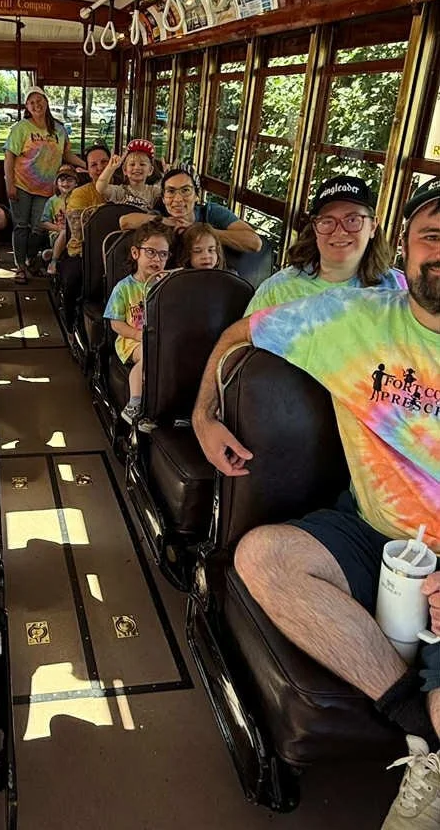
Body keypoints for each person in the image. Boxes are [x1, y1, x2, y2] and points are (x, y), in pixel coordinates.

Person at [191, 179, 440, 830]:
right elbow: (240, 335)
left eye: (354, 219)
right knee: (263, 556)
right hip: (371, 527)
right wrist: (204, 414)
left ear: (372, 232)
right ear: (409, 250)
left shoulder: (373, 294)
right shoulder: (349, 321)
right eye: (433, 237)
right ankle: (415, 722)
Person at [246, 175, 406, 313]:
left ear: (373, 226)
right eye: (327, 221)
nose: (339, 231)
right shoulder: (278, 290)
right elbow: (240, 345)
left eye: (352, 220)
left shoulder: (399, 289)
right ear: (315, 228)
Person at [4, 87, 85, 284]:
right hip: (21, 185)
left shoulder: (59, 129)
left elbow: (66, 154)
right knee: (21, 226)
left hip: (47, 188)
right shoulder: (21, 128)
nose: (36, 105)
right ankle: (20, 267)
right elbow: (9, 157)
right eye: (31, 102)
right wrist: (10, 184)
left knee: (38, 228)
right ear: (27, 107)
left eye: (39, 100)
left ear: (46, 102)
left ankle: (31, 260)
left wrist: (88, 166)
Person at [104, 220, 172, 425]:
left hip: (161, 339)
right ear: (136, 253)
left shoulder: (168, 287)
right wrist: (138, 335)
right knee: (149, 354)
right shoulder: (123, 288)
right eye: (150, 252)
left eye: (163, 254)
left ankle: (167, 408)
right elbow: (115, 323)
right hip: (132, 341)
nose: (157, 259)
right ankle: (135, 403)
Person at [121, 166, 262, 254]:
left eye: (185, 190)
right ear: (163, 198)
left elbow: (254, 243)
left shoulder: (212, 212)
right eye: (171, 191)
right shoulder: (160, 217)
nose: (178, 199)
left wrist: (200, 231)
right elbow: (125, 221)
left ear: (196, 196)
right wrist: (167, 222)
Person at [59, 144, 112, 335]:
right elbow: (77, 230)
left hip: (116, 253)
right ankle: (70, 321)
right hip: (83, 252)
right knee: (73, 277)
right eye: (94, 164)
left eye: (104, 162)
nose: (99, 168)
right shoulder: (80, 194)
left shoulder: (122, 190)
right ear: (87, 169)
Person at [97, 139, 159, 211]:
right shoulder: (120, 191)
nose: (137, 168)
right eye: (132, 164)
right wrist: (110, 169)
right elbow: (100, 188)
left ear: (150, 170)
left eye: (142, 164)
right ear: (125, 170)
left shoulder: (153, 192)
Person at [40, 164, 77, 275]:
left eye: (70, 180)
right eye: (62, 180)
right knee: (64, 233)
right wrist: (58, 228)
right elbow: (43, 222)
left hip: (76, 233)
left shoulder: (79, 198)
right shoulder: (52, 201)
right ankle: (54, 261)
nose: (65, 183)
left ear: (76, 183)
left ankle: (54, 252)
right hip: (58, 234)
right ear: (57, 183)